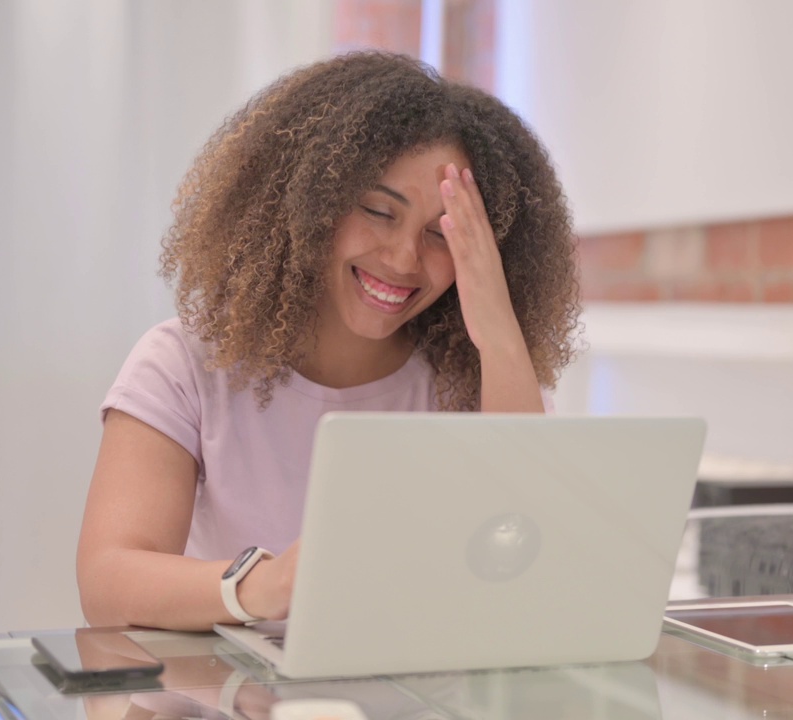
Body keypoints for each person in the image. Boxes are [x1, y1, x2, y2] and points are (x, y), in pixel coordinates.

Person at [76, 51, 581, 631]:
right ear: (309, 203)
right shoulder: (184, 365)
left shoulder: (481, 377)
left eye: (445, 235)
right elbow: (109, 581)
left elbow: (534, 583)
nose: (403, 259)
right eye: (377, 211)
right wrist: (265, 585)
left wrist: (501, 336)